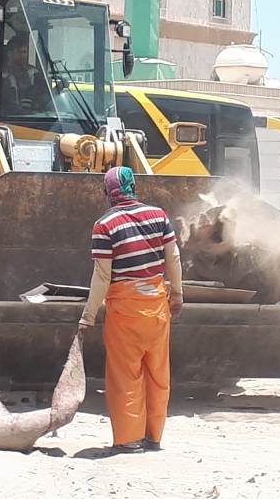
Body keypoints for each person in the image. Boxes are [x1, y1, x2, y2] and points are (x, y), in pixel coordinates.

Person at [78, 166, 184, 452]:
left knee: (126, 376)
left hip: (125, 313)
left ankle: (128, 439)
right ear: (133, 187)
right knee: (158, 374)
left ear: (107, 192)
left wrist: (88, 316)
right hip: (158, 307)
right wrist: (177, 294)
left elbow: (102, 276)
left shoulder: (105, 225)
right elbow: (173, 258)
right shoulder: (159, 215)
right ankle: (153, 437)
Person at [1, 35, 51, 114]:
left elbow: (45, 95)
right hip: (9, 117)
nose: (23, 55)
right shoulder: (0, 75)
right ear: (9, 53)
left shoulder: (34, 73)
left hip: (32, 116)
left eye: (24, 52)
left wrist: (36, 104)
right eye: (19, 52)